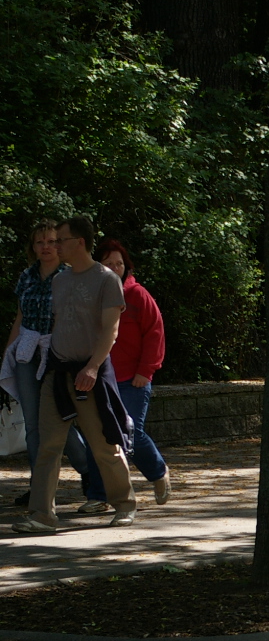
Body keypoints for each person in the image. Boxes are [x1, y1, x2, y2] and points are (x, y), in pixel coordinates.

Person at [12, 216, 136, 534]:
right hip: (58, 372)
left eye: (61, 240)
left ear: (78, 242)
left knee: (103, 445)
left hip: (89, 374)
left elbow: (111, 330)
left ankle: (125, 505)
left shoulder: (106, 279)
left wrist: (93, 367)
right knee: (47, 446)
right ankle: (42, 515)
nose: (55, 245)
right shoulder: (60, 281)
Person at [1, 220, 96, 508]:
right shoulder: (27, 277)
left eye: (52, 241)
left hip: (58, 355)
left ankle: (90, 473)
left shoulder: (70, 277)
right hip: (27, 355)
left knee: (60, 420)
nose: (46, 247)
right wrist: (7, 356)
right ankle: (40, 489)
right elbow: (20, 317)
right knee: (33, 425)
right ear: (33, 246)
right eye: (40, 242)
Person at [80, 240, 170, 504]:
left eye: (119, 263)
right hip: (99, 378)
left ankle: (158, 472)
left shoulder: (138, 295)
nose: (115, 268)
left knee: (130, 433)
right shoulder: (91, 296)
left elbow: (155, 334)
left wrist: (146, 371)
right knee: (97, 437)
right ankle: (98, 496)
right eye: (109, 264)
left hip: (133, 379)